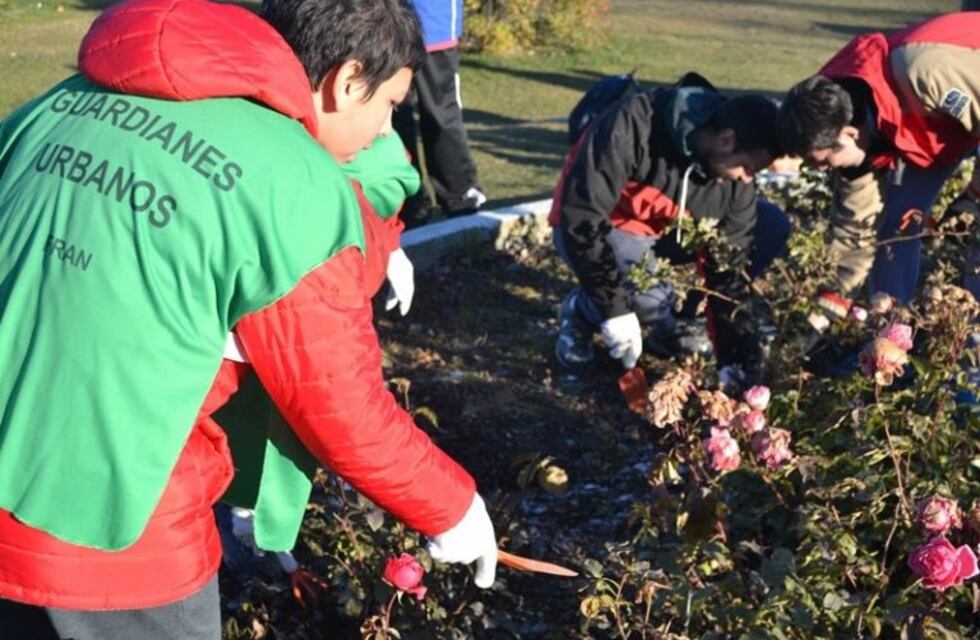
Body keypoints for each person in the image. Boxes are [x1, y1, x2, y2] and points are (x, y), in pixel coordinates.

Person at [0, 1, 497, 638]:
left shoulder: (60, 105)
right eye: (390, 105)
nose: (383, 132)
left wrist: (384, 242)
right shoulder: (292, 187)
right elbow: (340, 406)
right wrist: (453, 508)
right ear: (346, 81)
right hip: (110, 536)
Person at [551, 72, 788, 382]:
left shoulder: (736, 178)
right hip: (609, 224)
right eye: (747, 167)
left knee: (769, 224)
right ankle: (581, 311)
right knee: (646, 300)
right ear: (726, 139)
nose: (747, 179)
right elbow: (581, 217)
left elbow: (729, 267)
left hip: (667, 231)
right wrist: (614, 310)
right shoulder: (633, 123)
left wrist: (734, 358)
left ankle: (681, 323)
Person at [777, 12, 980, 314]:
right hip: (936, 126)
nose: (822, 169)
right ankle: (889, 335)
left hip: (958, 89)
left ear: (847, 133)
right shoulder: (849, 130)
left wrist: (974, 195)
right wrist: (824, 314)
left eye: (821, 161)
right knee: (898, 224)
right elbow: (855, 232)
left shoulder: (923, 71)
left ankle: (972, 341)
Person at [392, 0, 486, 228]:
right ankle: (409, 200)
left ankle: (456, 194)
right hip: (391, 25)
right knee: (393, 114)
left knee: (438, 114)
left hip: (431, 26)